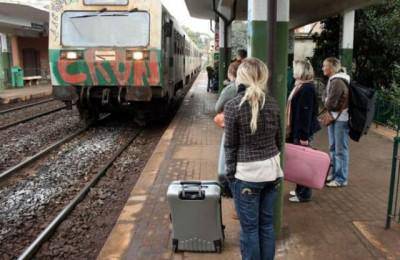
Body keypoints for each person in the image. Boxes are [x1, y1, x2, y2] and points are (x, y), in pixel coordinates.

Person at [224, 58, 282, 260]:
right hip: (272, 172)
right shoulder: (273, 103)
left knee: (249, 229)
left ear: (241, 77)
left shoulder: (233, 106)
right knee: (266, 224)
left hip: (247, 175)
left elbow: (230, 146)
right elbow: (279, 140)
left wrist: (231, 177)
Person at [286, 60, 321, 202]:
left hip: (302, 132)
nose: (293, 71)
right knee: (299, 162)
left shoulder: (306, 88)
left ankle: (304, 194)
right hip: (298, 130)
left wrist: (303, 136)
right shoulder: (300, 86)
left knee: (303, 162)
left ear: (301, 71)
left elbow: (305, 115)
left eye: (295, 68)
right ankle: (299, 190)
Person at [322, 57, 351, 187]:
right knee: (333, 147)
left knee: (340, 149)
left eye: (325, 66)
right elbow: (325, 97)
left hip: (340, 119)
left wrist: (326, 101)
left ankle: (341, 178)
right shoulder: (333, 80)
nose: (323, 68)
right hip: (334, 117)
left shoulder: (338, 81)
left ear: (332, 68)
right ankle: (335, 174)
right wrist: (327, 100)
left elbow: (330, 102)